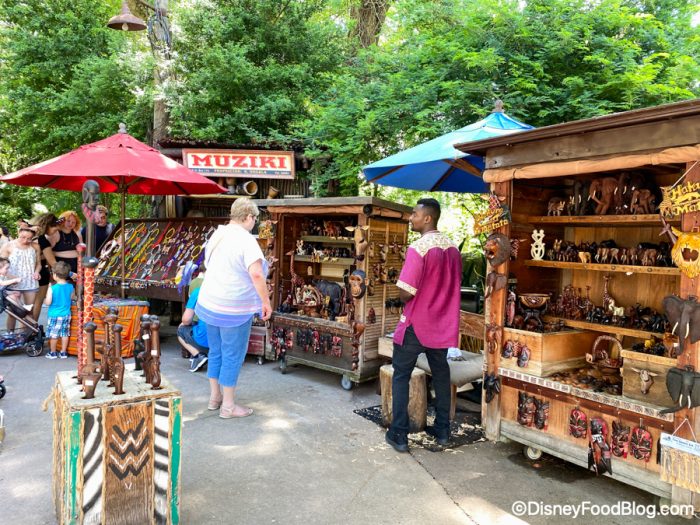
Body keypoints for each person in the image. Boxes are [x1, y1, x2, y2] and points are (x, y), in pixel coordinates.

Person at [385, 198, 462, 453]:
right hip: (442, 324)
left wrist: (399, 292)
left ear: (427, 218)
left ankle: (399, 434)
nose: (411, 218)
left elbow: (406, 292)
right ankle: (442, 430)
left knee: (401, 375)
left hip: (417, 323)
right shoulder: (453, 249)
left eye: (414, 214)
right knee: (441, 374)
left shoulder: (418, 248)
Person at [195, 198, 272, 419]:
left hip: (210, 302)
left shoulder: (218, 234)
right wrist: (265, 302)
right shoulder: (246, 240)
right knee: (232, 355)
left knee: (216, 351)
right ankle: (228, 407)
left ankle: (215, 398)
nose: (254, 222)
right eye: (254, 218)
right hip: (233, 307)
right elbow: (256, 273)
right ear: (248, 217)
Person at [0, 227, 41, 330]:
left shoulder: (35, 246)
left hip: (30, 282)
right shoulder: (8, 246)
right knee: (13, 313)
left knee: (29, 311)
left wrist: (37, 272)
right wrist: (12, 277)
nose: (26, 240)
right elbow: (1, 266)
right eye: (23, 237)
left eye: (29, 238)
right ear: (18, 233)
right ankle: (10, 334)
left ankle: (26, 335)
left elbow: (39, 264)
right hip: (12, 283)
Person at [30, 213, 62, 320]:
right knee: (38, 302)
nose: (55, 232)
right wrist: (69, 274)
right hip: (40, 274)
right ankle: (33, 326)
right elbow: (53, 262)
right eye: (55, 229)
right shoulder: (42, 240)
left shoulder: (30, 237)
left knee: (27, 304)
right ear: (48, 226)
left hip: (28, 272)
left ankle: (23, 327)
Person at [44, 261, 75, 359]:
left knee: (54, 335)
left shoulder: (52, 288)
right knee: (65, 334)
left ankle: (53, 353)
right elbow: (72, 297)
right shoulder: (70, 286)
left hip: (54, 314)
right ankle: (63, 352)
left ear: (55, 275)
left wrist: (46, 296)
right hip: (66, 314)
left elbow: (48, 302)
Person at [178, 283, 209, 373]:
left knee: (181, 329)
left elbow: (186, 320)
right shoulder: (228, 291)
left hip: (206, 340)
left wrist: (183, 323)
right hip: (226, 340)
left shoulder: (198, 291)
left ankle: (198, 355)